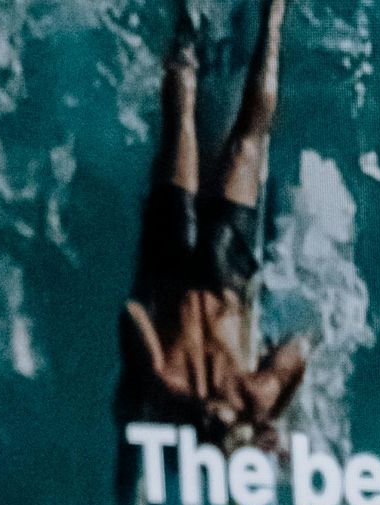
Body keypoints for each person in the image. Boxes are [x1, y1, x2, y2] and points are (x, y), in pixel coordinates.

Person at [119, 0, 308, 455]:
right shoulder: (175, 387)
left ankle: (273, 17)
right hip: (185, 270)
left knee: (247, 137)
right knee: (184, 124)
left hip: (212, 272)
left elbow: (297, 350)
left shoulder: (239, 391)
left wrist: (270, 403)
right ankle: (194, 17)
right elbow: (131, 316)